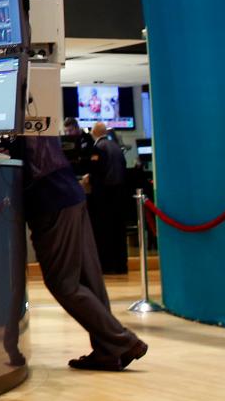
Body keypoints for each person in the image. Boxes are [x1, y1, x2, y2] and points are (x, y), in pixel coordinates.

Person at [9, 135, 148, 371]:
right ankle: (107, 351)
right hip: (70, 194)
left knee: (64, 283)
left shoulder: (19, 125)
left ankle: (124, 342)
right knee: (90, 280)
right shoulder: (38, 123)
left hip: (51, 201)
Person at [84, 121, 129, 273]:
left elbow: (96, 171)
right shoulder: (116, 147)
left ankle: (107, 266)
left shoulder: (98, 148)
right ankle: (121, 265)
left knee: (104, 232)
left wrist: (88, 178)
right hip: (119, 196)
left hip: (104, 198)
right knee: (118, 232)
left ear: (93, 133)